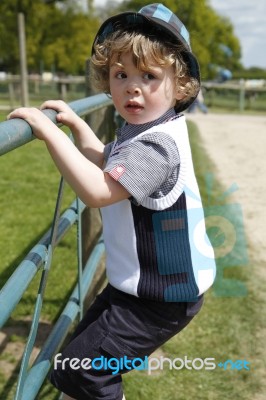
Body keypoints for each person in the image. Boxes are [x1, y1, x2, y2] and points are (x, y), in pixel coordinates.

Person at [8, 4, 216, 399]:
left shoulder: (157, 146)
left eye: (149, 77)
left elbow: (99, 190)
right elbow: (106, 160)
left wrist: (46, 133)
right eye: (121, 75)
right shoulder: (141, 130)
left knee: (86, 372)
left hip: (161, 300)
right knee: (74, 362)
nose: (132, 86)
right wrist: (74, 123)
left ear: (182, 86)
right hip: (138, 289)